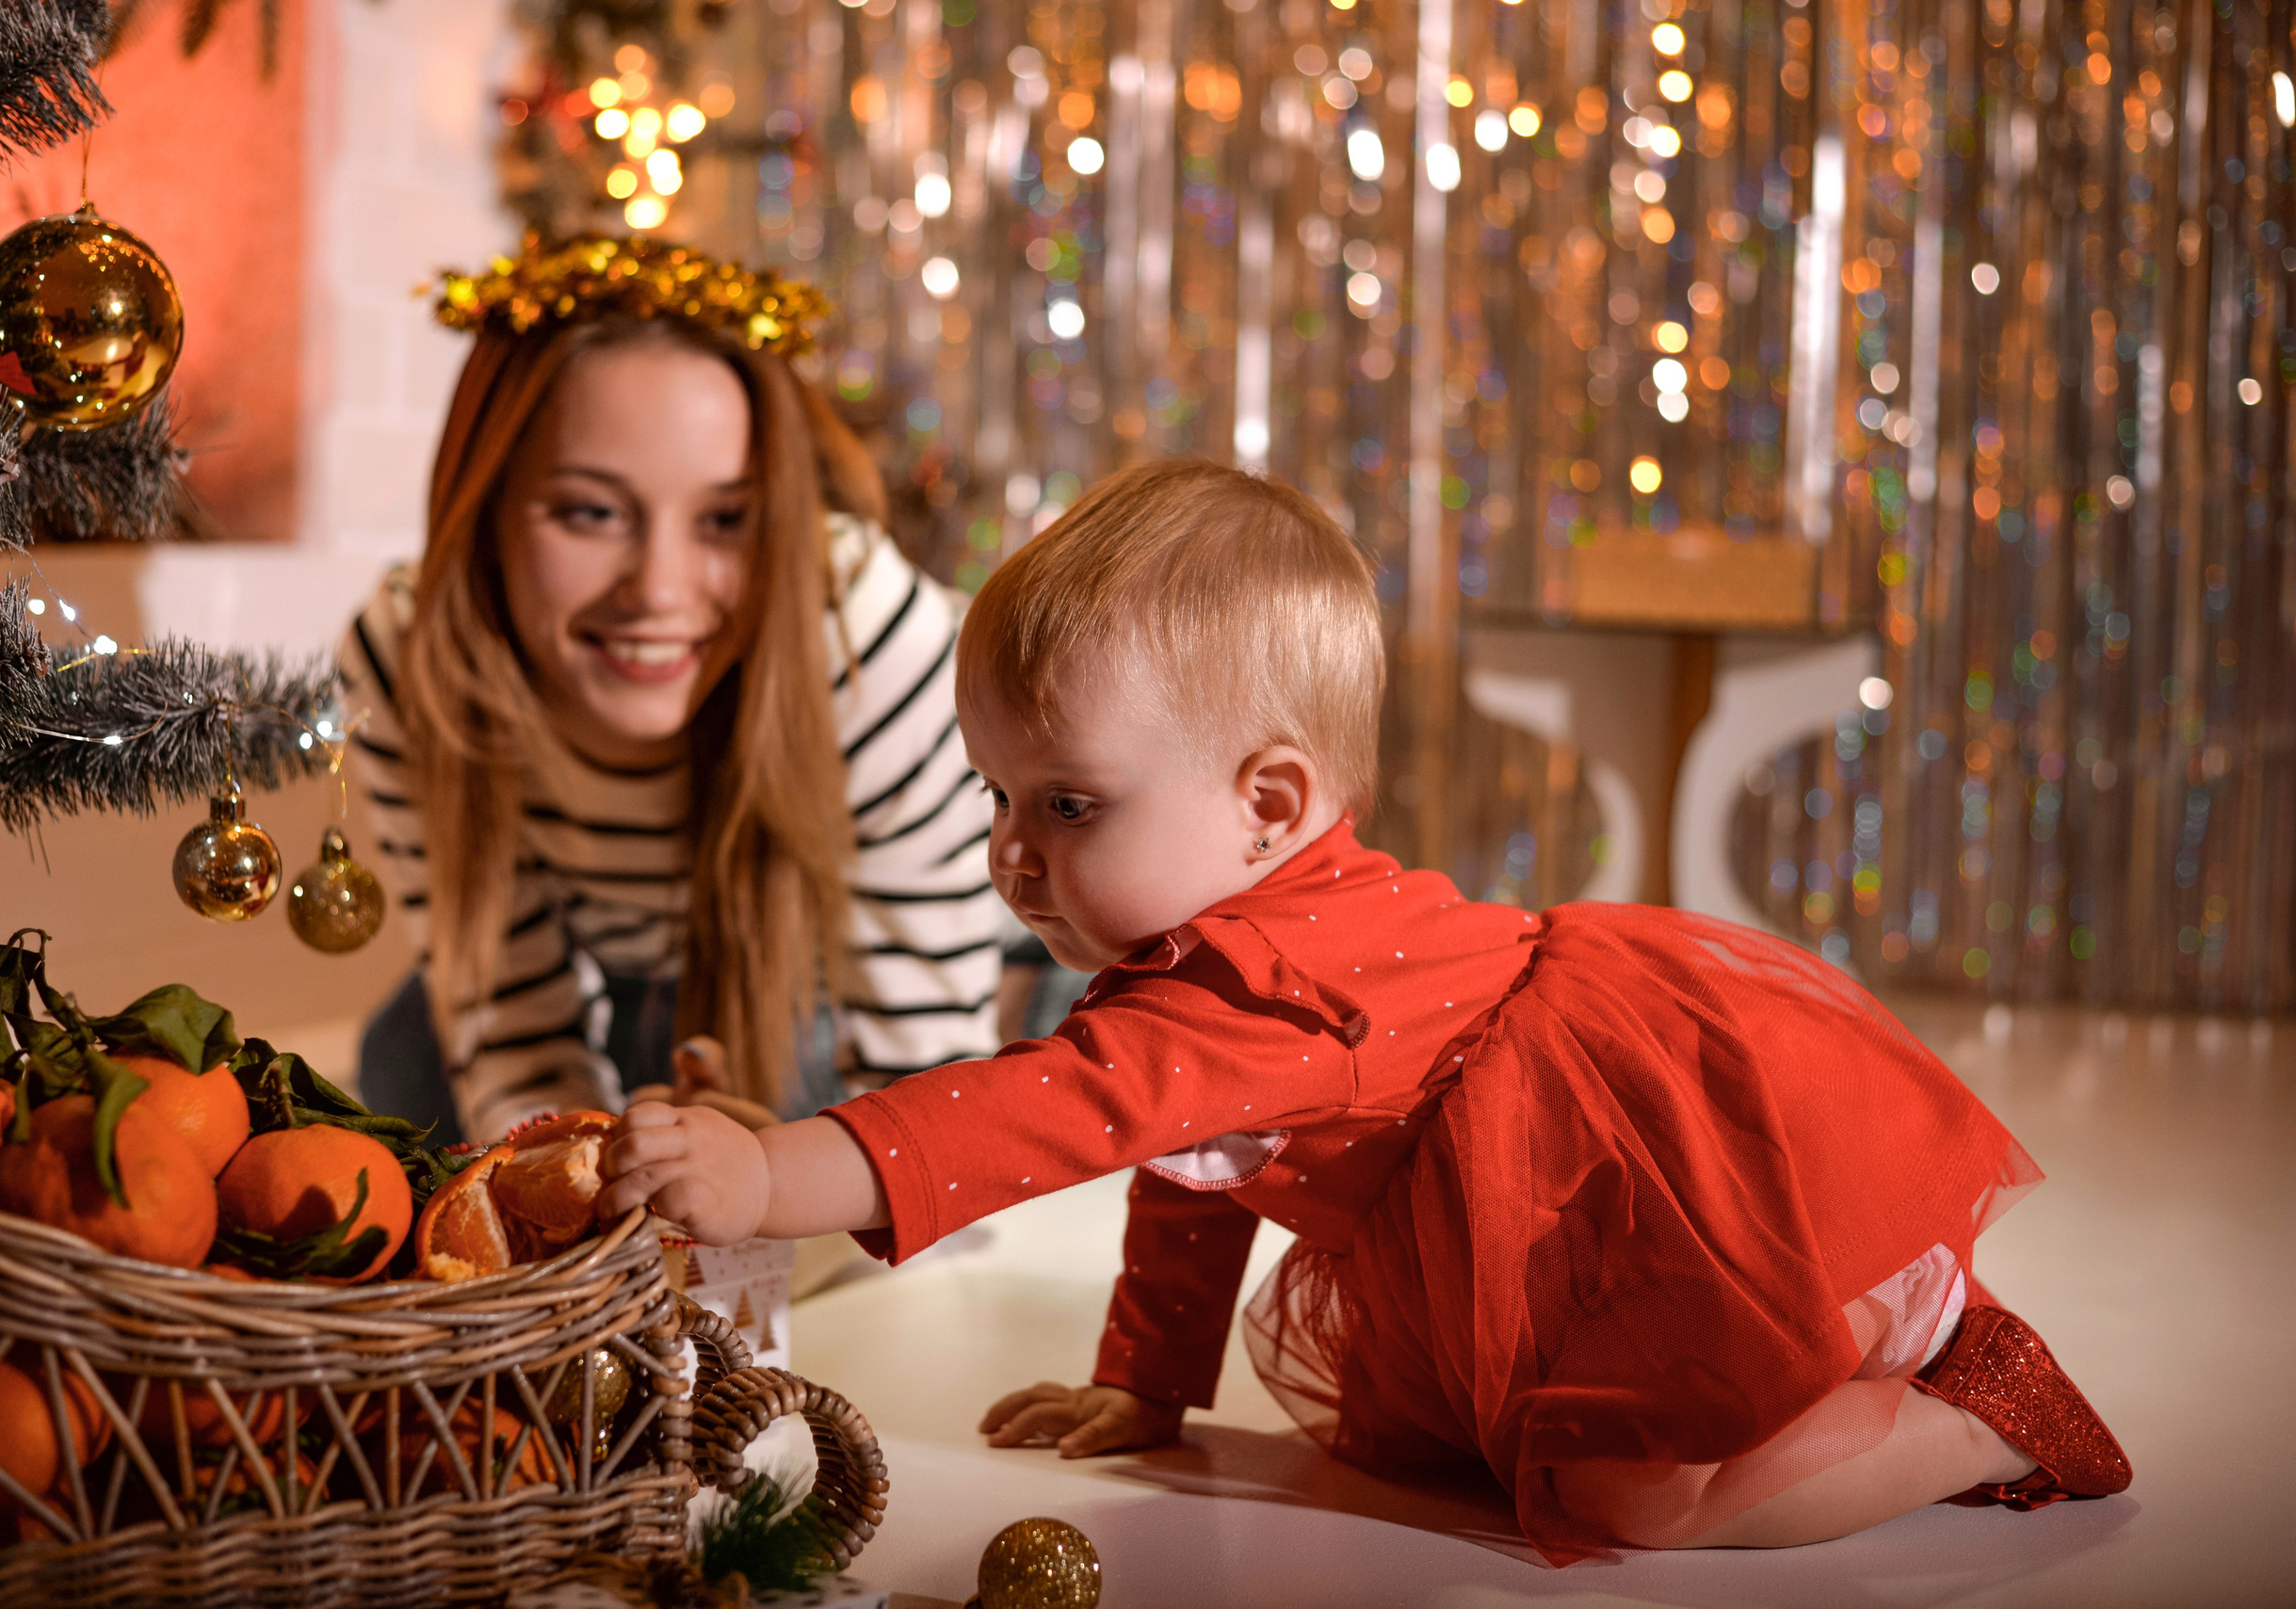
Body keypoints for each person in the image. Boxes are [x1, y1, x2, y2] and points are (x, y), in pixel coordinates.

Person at [593, 458, 2132, 1563]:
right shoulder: (1215, 954)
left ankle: (1980, 1406)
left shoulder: (1277, 980)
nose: (1013, 849)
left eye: (1064, 799)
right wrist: (1152, 1374)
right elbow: (1199, 1160)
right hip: (1513, 1187)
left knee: (1634, 1498)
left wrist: (776, 1170)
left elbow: (1050, 1111)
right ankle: (1877, 1350)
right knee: (1508, 1451)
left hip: (1608, 1174)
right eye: (997, 793)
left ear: (1270, 803)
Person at [340, 235, 1001, 1144]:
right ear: (484, 507)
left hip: (873, 973)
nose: (658, 590)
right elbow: (513, 1035)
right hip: (621, 961)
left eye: (726, 519)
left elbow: (929, 1099)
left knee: (803, 1100)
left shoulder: (870, 644)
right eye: (592, 512)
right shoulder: (403, 659)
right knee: (406, 1062)